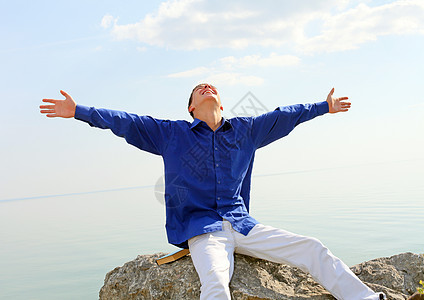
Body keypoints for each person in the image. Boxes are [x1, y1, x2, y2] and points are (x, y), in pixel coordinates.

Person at [40, 84, 387, 300]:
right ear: (191, 107)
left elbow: (286, 116)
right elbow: (126, 121)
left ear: (220, 101)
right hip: (202, 230)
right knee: (217, 283)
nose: (206, 87)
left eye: (211, 86)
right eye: (198, 89)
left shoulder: (246, 130)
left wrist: (323, 107)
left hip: (243, 225)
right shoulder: (171, 134)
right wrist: (78, 112)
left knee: (312, 248)